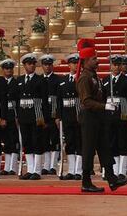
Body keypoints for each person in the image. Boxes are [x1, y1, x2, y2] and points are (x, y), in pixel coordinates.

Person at [74, 39, 127, 192]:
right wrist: (104, 106)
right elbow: (86, 101)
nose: (97, 60)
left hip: (98, 117)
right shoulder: (85, 78)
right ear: (86, 61)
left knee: (104, 147)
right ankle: (86, 182)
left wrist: (107, 102)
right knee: (89, 149)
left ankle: (112, 179)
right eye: (93, 58)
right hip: (89, 117)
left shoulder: (94, 76)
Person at [17, 53, 49, 180]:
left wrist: (45, 118)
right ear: (24, 65)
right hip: (24, 115)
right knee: (27, 142)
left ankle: (37, 170)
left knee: (37, 142)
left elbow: (45, 101)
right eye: (29, 64)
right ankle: (30, 169)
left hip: (37, 115)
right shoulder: (19, 80)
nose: (31, 66)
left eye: (33, 64)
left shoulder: (40, 80)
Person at [56, 52, 82, 180]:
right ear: (68, 65)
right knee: (70, 143)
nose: (75, 65)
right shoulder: (63, 80)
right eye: (73, 63)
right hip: (67, 115)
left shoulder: (83, 78)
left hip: (80, 115)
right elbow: (59, 100)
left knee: (80, 142)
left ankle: (79, 170)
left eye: (77, 63)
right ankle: (71, 170)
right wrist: (58, 116)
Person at [102, 54, 127, 180]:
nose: (116, 67)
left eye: (118, 64)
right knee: (110, 144)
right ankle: (111, 171)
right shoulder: (105, 80)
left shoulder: (126, 80)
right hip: (108, 116)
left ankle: (121, 171)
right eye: (114, 64)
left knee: (122, 143)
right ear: (110, 65)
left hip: (122, 115)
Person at [40, 54, 63, 175]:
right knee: (44, 140)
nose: (47, 67)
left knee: (54, 140)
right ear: (42, 66)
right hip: (43, 114)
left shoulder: (58, 80)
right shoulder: (39, 80)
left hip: (54, 114)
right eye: (45, 64)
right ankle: (45, 165)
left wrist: (58, 116)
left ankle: (53, 165)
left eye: (49, 64)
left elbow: (59, 100)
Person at [0, 58, 21, 175]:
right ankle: (7, 167)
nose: (9, 70)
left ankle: (13, 167)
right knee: (6, 141)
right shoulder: (0, 82)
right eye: (6, 68)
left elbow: (18, 101)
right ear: (3, 70)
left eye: (10, 68)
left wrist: (18, 116)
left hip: (13, 114)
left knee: (14, 141)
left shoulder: (16, 83)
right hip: (3, 114)